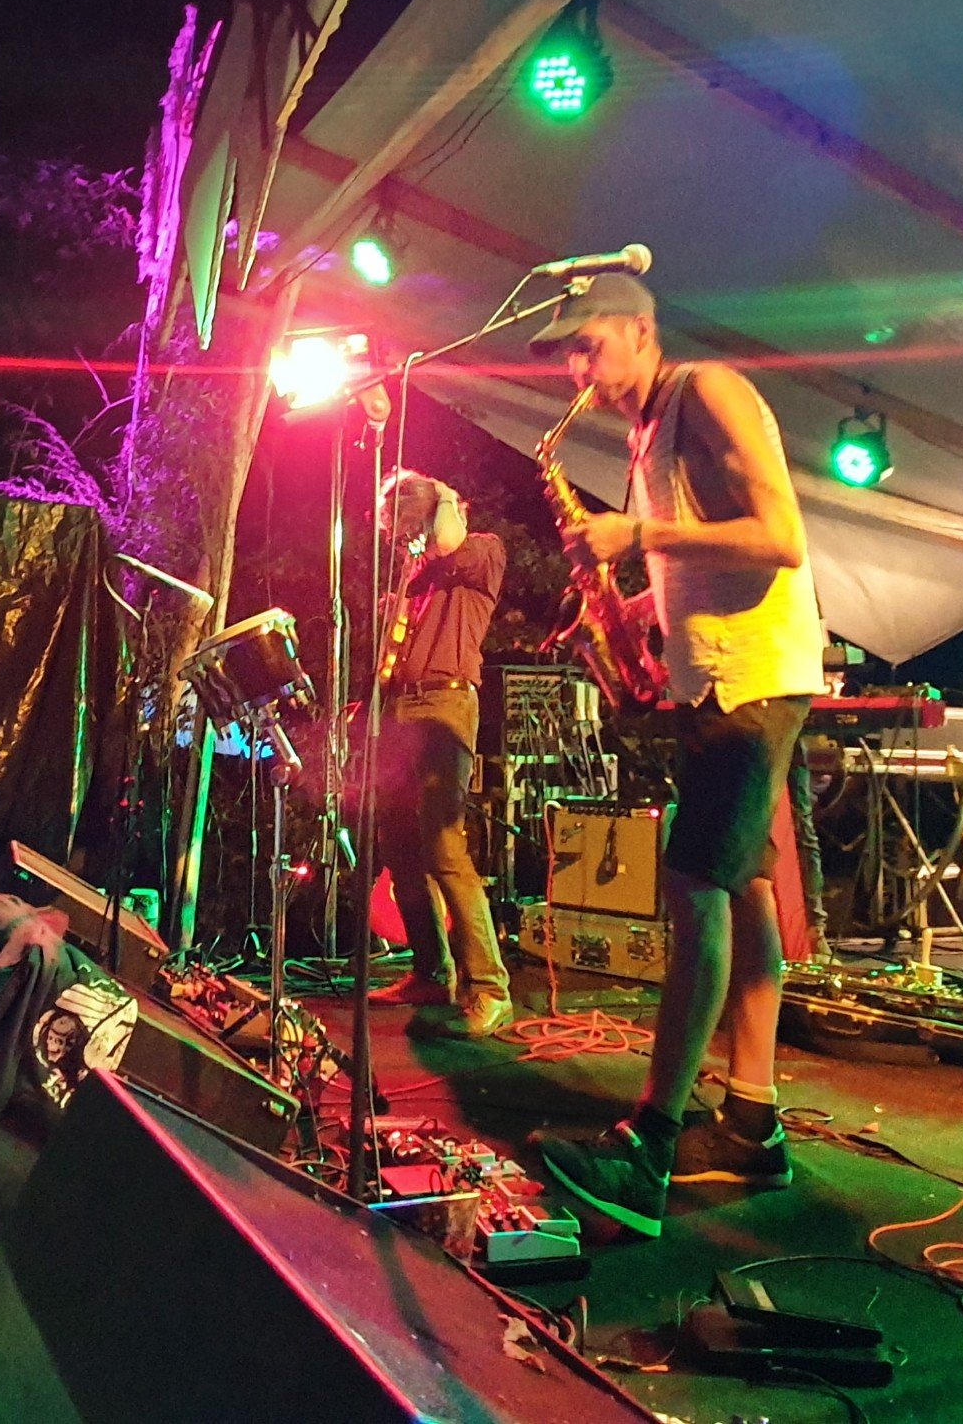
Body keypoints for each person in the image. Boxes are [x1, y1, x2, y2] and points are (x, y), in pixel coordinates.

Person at [523, 271, 826, 1239]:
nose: (578, 369)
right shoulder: (648, 431)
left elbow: (779, 537)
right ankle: (753, 1124)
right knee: (745, 892)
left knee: (693, 888)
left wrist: (637, 532)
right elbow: (707, 557)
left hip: (751, 683)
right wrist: (634, 607)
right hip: (714, 683)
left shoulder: (708, 390)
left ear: (642, 330)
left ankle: (649, 1147)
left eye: (589, 344)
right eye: (567, 354)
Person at [367, 469, 513, 1039]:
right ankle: (431, 971)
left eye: (409, 527)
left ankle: (490, 987)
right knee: (399, 844)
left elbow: (450, 540)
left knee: (444, 845)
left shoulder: (482, 552)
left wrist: (443, 498)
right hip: (401, 708)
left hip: (446, 705)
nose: (406, 540)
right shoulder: (418, 578)